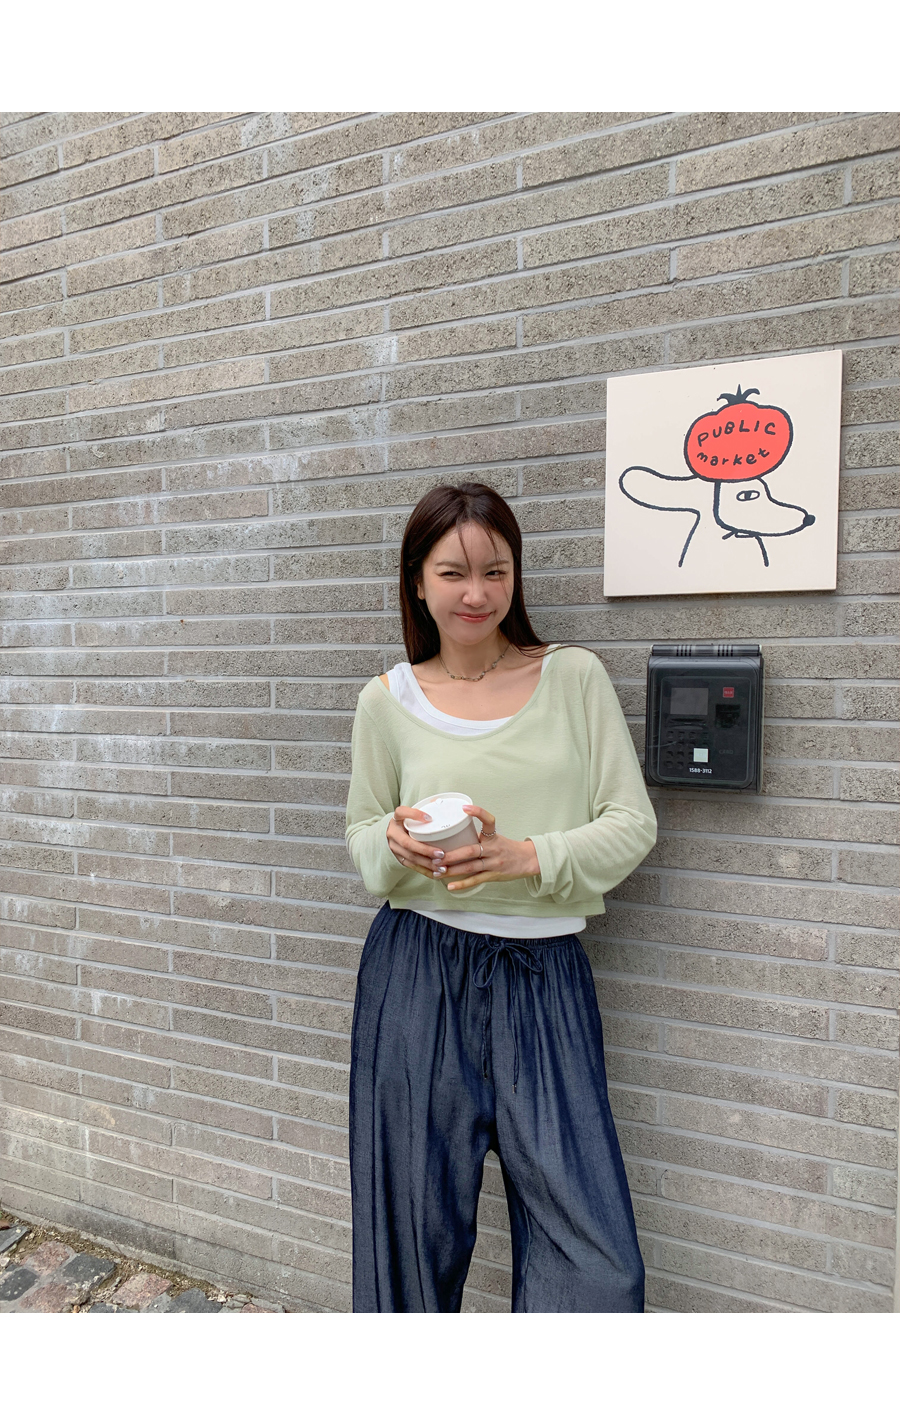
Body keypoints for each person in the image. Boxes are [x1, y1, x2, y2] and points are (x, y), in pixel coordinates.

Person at [345, 482, 657, 1313]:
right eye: (453, 573)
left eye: (495, 571)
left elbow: (632, 825)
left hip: (542, 975)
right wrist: (393, 842)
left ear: (516, 576)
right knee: (410, 1229)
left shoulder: (573, 678)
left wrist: (527, 856)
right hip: (416, 971)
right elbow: (364, 838)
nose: (476, 593)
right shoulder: (386, 700)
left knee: (594, 1258)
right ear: (418, 583)